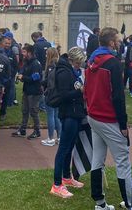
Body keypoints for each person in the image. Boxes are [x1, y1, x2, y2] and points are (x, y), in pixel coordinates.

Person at [84, 27, 131, 210]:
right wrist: (123, 122)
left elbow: (86, 89)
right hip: (109, 118)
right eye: (117, 40)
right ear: (111, 42)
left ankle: (100, 203)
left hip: (94, 115)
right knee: (123, 161)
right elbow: (118, 96)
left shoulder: (91, 61)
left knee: (98, 159)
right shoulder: (113, 63)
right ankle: (131, 203)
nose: (119, 43)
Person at [49, 46, 87, 198]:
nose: (79, 66)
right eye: (78, 63)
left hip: (75, 112)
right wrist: (80, 91)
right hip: (69, 113)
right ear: (72, 60)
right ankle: (57, 184)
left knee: (69, 146)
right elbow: (64, 94)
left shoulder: (70, 70)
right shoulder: (64, 72)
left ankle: (66, 177)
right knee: (63, 149)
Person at [12, 43, 43, 139]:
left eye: (24, 52)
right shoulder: (27, 62)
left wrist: (23, 77)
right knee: (24, 111)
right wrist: (20, 75)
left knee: (34, 111)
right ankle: (22, 129)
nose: (22, 54)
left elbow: (36, 78)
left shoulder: (35, 64)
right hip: (27, 90)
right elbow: (23, 71)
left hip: (34, 92)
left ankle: (37, 131)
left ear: (29, 53)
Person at [41, 47, 61, 146]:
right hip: (58, 93)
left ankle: (51, 138)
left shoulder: (50, 66)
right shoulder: (59, 64)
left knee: (50, 115)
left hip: (50, 93)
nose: (45, 55)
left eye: (46, 53)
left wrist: (41, 83)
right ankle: (59, 137)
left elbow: (48, 81)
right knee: (57, 116)